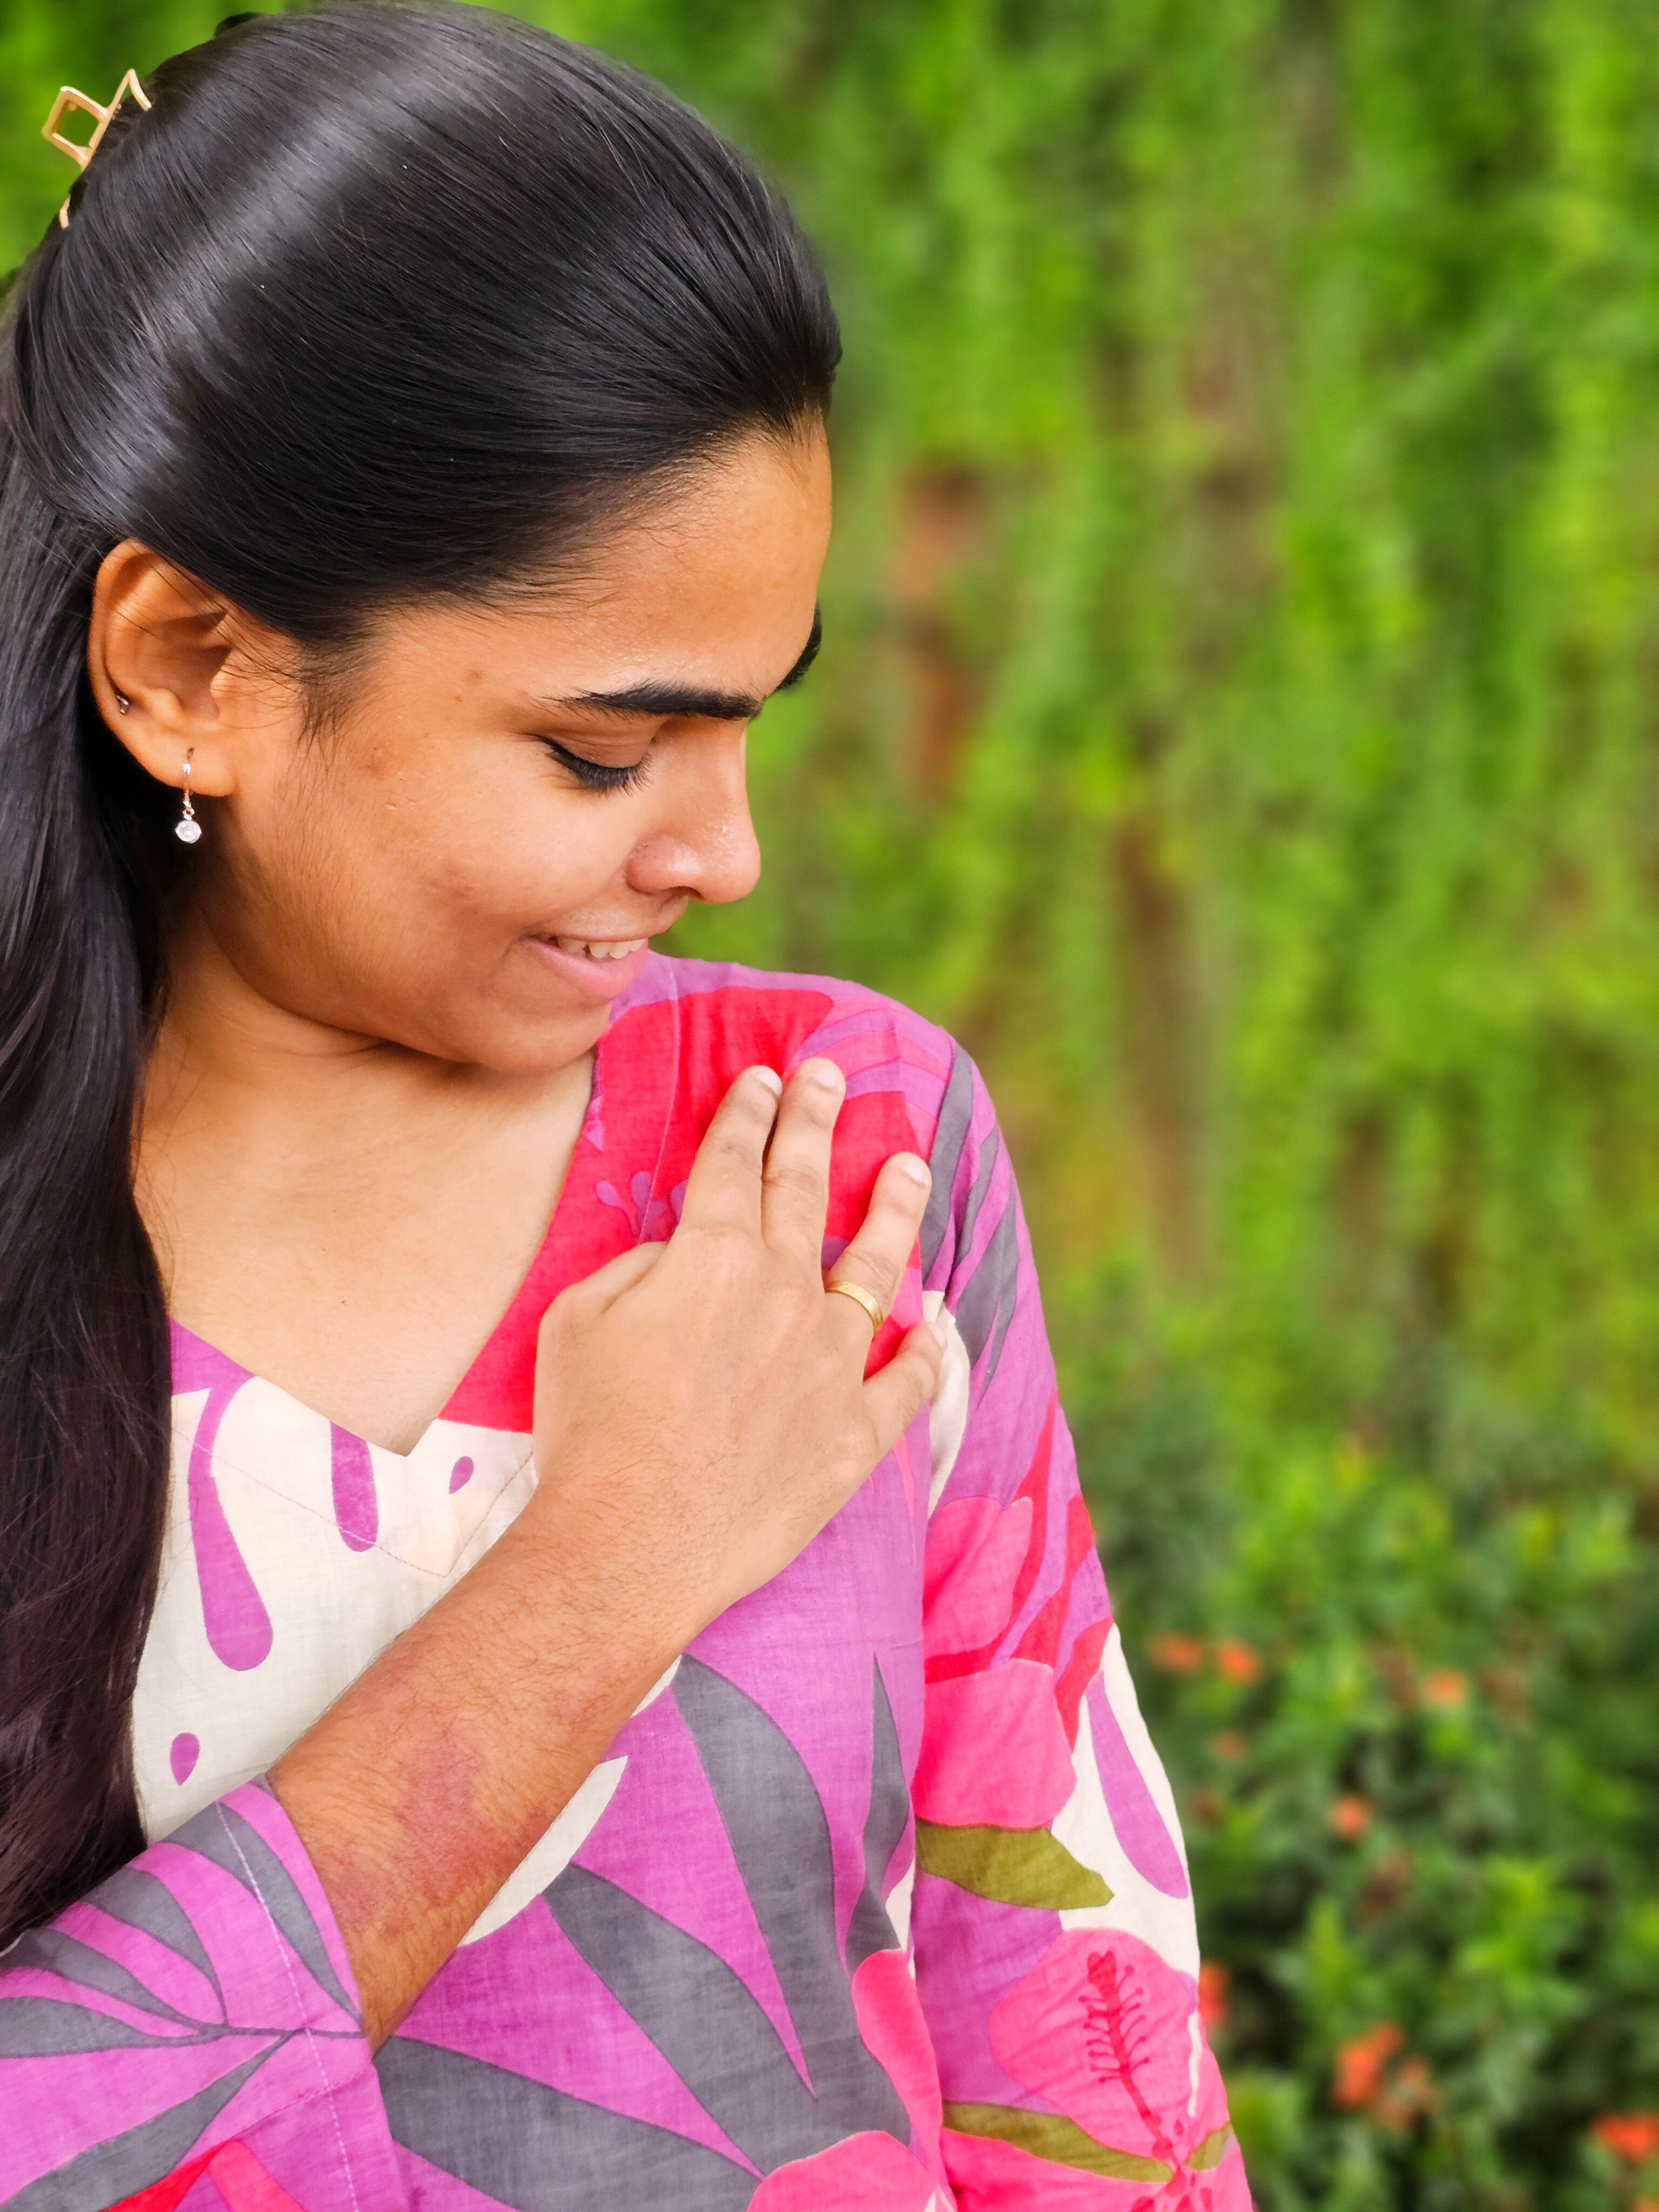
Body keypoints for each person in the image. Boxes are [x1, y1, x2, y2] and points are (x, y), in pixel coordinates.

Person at [0, 8, 1247, 2207]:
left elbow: (1075, 2023)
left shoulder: (836, 1149)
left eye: (752, 722)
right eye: (601, 751)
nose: (725, 853)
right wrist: (601, 1577)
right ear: (188, 668)